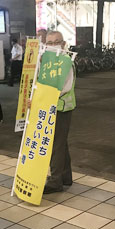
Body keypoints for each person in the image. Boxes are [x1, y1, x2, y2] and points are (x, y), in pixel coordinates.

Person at [38, 31, 76, 194]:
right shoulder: (46, 61)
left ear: (63, 43)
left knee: (55, 144)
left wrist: (42, 98)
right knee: (61, 143)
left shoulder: (66, 61)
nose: (52, 46)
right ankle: (65, 177)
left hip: (61, 107)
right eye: (49, 43)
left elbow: (64, 88)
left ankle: (55, 181)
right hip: (51, 105)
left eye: (55, 42)